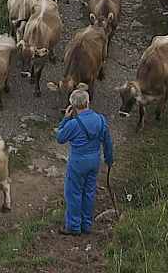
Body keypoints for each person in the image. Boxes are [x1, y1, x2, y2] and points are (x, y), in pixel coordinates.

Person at [54, 86, 114, 235]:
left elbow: (60, 138)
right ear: (88, 102)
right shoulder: (100, 119)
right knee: (89, 191)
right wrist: (109, 158)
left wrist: (65, 119)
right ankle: (86, 225)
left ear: (73, 106)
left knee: (74, 193)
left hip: (78, 162)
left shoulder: (73, 124)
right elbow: (108, 141)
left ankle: (74, 226)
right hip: (95, 160)